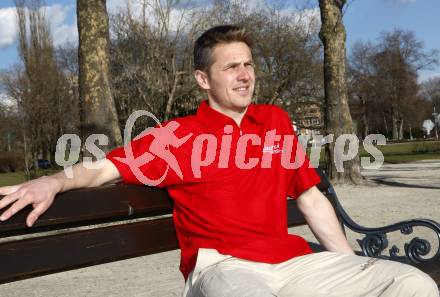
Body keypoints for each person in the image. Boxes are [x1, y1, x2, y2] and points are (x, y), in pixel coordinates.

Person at [0, 25, 437, 297]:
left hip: (293, 261)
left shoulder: (276, 121)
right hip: (225, 268)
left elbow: (310, 198)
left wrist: (347, 263)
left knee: (410, 283)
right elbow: (103, 167)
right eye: (231, 67)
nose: (245, 75)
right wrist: (53, 183)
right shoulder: (178, 136)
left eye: (248, 64)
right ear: (203, 79)